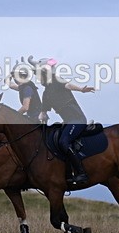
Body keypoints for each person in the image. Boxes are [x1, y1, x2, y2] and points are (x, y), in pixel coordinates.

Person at [32, 57, 95, 186]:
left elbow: (68, 85)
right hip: (67, 121)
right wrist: (38, 118)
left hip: (77, 120)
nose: (38, 79)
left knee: (63, 142)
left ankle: (81, 173)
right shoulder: (46, 93)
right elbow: (43, 113)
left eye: (39, 75)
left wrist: (81, 89)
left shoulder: (56, 80)